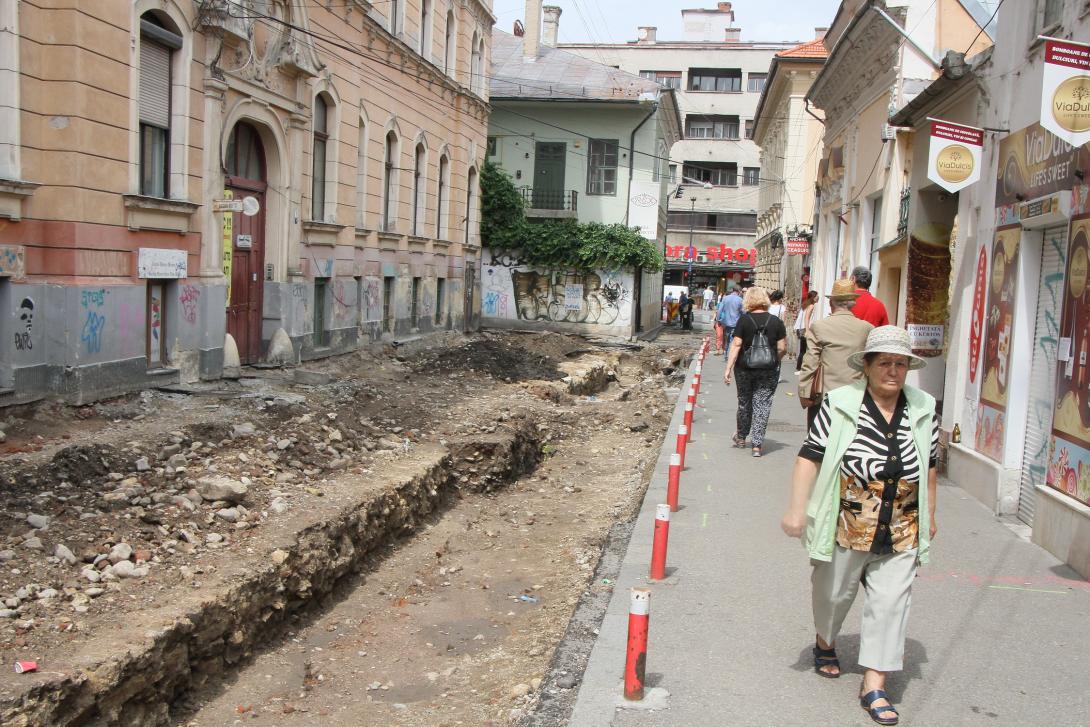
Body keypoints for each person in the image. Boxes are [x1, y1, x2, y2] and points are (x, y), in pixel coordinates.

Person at [781, 325, 938, 727]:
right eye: (884, 362)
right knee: (833, 595)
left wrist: (931, 516)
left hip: (902, 525)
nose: (893, 371)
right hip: (847, 522)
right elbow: (809, 457)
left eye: (900, 364)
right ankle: (825, 639)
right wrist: (797, 511)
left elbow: (930, 467)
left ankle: (875, 684)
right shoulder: (840, 403)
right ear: (866, 366)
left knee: (891, 605)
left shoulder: (923, 407)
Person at [799, 280, 873, 431]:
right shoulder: (866, 328)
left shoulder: (819, 327)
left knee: (820, 443)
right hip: (856, 395)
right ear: (854, 303)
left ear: (831, 303)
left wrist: (805, 392)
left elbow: (811, 360)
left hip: (826, 395)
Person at [723, 287, 787, 457]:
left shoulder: (744, 320)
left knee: (744, 401)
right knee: (763, 404)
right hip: (768, 370)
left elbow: (736, 345)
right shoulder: (776, 321)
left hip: (744, 368)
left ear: (748, 300)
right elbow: (782, 348)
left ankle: (742, 437)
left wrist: (728, 367)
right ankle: (757, 445)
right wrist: (774, 359)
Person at [794, 290, 819, 374]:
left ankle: (799, 367)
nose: (818, 298)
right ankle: (802, 369)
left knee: (803, 349)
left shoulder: (805, 304)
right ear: (813, 297)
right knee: (806, 350)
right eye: (816, 296)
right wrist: (807, 330)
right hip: (805, 329)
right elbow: (807, 318)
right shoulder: (811, 306)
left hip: (801, 328)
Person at [716, 287, 744, 358]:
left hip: (726, 323)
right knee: (732, 339)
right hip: (736, 323)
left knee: (727, 339)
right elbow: (744, 312)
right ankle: (729, 355)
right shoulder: (740, 300)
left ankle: (726, 354)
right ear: (738, 291)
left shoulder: (725, 298)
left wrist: (718, 320)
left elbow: (719, 310)